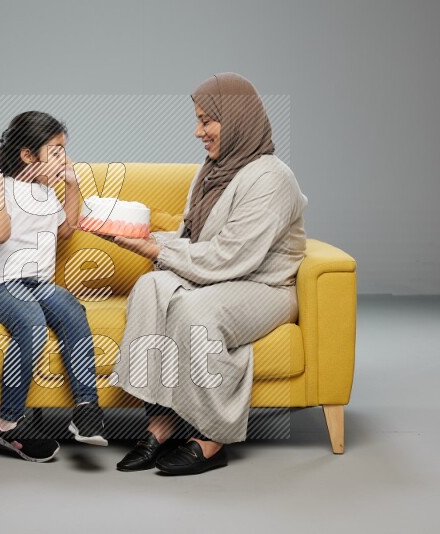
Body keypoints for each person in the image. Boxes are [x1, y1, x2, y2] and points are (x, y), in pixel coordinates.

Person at [104, 73, 308, 475]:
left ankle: (213, 437)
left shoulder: (272, 178)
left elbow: (232, 257)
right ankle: (161, 423)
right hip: (221, 274)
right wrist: (139, 236)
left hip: (261, 285)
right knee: (150, 287)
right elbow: (191, 236)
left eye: (206, 121)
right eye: (198, 120)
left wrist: (157, 248)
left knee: (195, 313)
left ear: (235, 120)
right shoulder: (212, 170)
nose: (197, 131)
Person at [0, 111, 108, 463]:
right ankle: (8, 423)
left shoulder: (45, 194)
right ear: (28, 156)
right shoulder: (3, 187)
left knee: (73, 310)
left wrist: (73, 184)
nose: (63, 158)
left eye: (64, 151)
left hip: (38, 284)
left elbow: (66, 229)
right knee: (30, 323)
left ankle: (86, 410)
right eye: (55, 151)